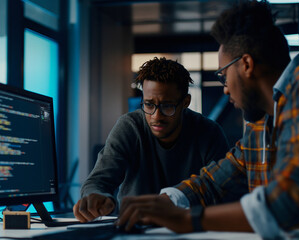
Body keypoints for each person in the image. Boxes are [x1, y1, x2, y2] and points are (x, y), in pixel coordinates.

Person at [116, 2, 299, 239]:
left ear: (246, 64)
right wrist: (164, 202)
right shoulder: (262, 121)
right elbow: (213, 182)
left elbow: (293, 197)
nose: (225, 89)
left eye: (223, 76)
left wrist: (187, 220)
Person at [73, 57, 230, 222]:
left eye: (167, 106)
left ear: (185, 102)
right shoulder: (130, 126)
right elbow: (98, 181)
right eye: (149, 105)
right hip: (135, 229)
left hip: (192, 228)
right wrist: (96, 197)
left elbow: (223, 190)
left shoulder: (209, 132)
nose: (156, 116)